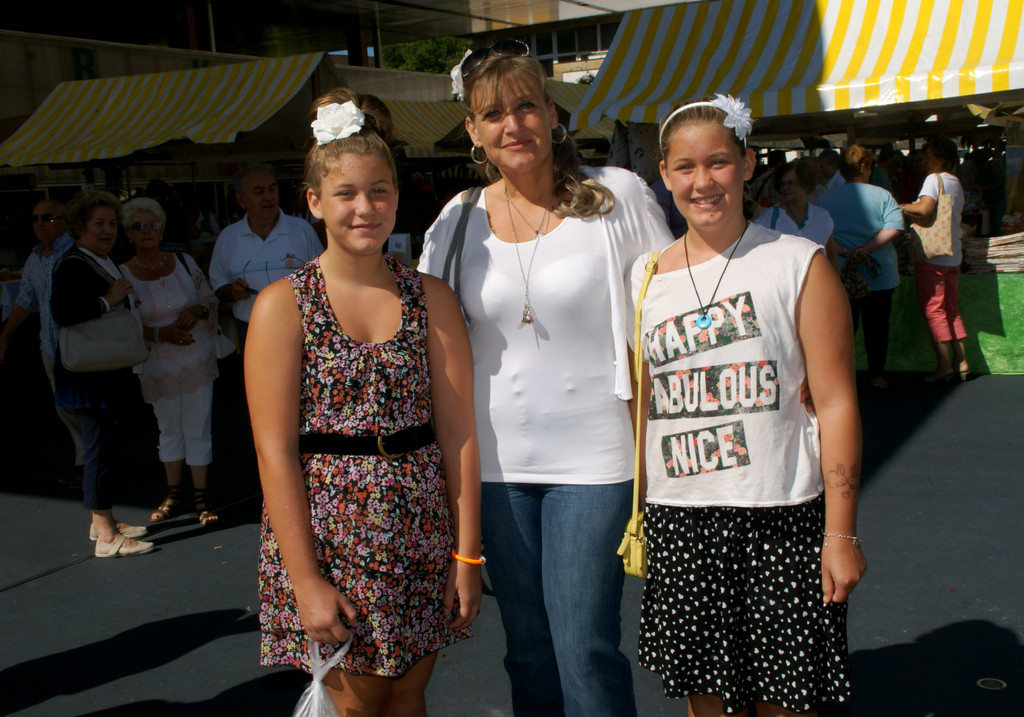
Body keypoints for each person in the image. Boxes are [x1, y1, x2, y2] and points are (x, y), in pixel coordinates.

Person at [419, 42, 674, 717]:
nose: (514, 124)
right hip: (495, 468)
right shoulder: (455, 221)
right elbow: (428, 338)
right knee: (527, 648)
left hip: (596, 459)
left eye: (526, 105)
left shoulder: (615, 195)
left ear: (553, 113)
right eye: (493, 113)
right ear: (473, 131)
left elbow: (670, 307)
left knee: (583, 646)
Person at [246, 88, 481, 715]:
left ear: (397, 197)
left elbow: (458, 433)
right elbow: (274, 454)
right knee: (354, 707)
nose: (365, 208)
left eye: (379, 191)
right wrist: (304, 580)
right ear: (315, 202)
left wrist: (467, 553)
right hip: (329, 535)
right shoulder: (282, 307)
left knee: (408, 697)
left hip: (420, 528)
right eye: (346, 194)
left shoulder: (431, 298)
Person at [633, 94, 866, 717]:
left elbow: (838, 404)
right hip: (682, 519)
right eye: (685, 167)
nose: (702, 182)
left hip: (780, 515)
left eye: (718, 163)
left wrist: (840, 532)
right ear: (665, 174)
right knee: (710, 707)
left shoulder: (799, 264)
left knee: (788, 705)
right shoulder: (644, 276)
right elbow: (644, 401)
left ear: (747, 162)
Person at [51, 190, 154, 557]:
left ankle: (102, 521)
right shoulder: (73, 264)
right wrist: (107, 300)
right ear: (80, 227)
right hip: (91, 378)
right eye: (99, 223)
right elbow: (63, 312)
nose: (107, 230)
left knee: (106, 448)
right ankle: (107, 536)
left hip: (106, 372)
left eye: (112, 223)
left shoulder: (101, 259)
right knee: (98, 451)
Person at [119, 197, 221, 526]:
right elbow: (124, 324)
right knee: (169, 428)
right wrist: (162, 336)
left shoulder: (185, 262)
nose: (147, 231)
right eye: (138, 227)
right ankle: (174, 491)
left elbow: (208, 299)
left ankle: (202, 495)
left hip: (195, 357)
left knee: (198, 425)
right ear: (128, 233)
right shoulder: (122, 275)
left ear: (161, 229)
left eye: (153, 225)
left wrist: (195, 311)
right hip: (157, 363)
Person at [0, 200, 85, 486]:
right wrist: (5, 335)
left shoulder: (77, 251)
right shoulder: (35, 257)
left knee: (86, 405)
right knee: (65, 406)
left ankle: (92, 464)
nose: (39, 223)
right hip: (50, 347)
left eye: (47, 217)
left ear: (63, 220)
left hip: (80, 345)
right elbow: (24, 301)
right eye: (35, 218)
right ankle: (85, 461)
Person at [208, 163, 323, 345]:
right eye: (259, 192)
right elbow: (218, 284)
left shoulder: (301, 230)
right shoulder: (228, 237)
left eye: (272, 189)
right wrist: (232, 292)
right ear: (241, 199)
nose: (268, 197)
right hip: (250, 330)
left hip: (298, 330)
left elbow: (322, 278)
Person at [818, 145, 903, 389]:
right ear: (865, 167)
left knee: (844, 327)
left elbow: (823, 231)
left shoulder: (826, 198)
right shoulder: (884, 195)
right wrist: (866, 248)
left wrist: (846, 251)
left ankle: (843, 377)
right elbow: (894, 226)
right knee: (877, 327)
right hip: (879, 272)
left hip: (841, 270)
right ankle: (877, 375)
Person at [899, 136, 970, 383]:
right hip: (953, 253)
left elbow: (925, 209)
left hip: (933, 254)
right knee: (950, 308)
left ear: (940, 158)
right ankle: (960, 360)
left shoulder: (933, 180)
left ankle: (943, 365)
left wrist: (902, 207)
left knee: (933, 309)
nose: (923, 159)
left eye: (927, 155)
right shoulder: (955, 182)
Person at [755, 159, 840, 272]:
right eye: (782, 184)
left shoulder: (822, 216)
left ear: (804, 185)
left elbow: (831, 254)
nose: (785, 188)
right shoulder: (770, 216)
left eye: (790, 183)